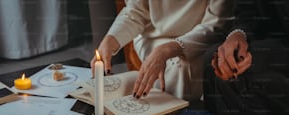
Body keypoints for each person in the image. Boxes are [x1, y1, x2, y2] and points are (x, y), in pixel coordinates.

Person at [90, 0, 236, 100]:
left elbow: (216, 24)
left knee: (180, 67)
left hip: (197, 38)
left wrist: (170, 48)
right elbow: (135, 13)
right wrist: (111, 39)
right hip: (152, 37)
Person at [203, 0, 289, 115]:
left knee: (241, 73)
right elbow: (247, 10)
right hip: (267, 45)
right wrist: (238, 34)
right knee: (214, 60)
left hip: (278, 55)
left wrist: (263, 54)